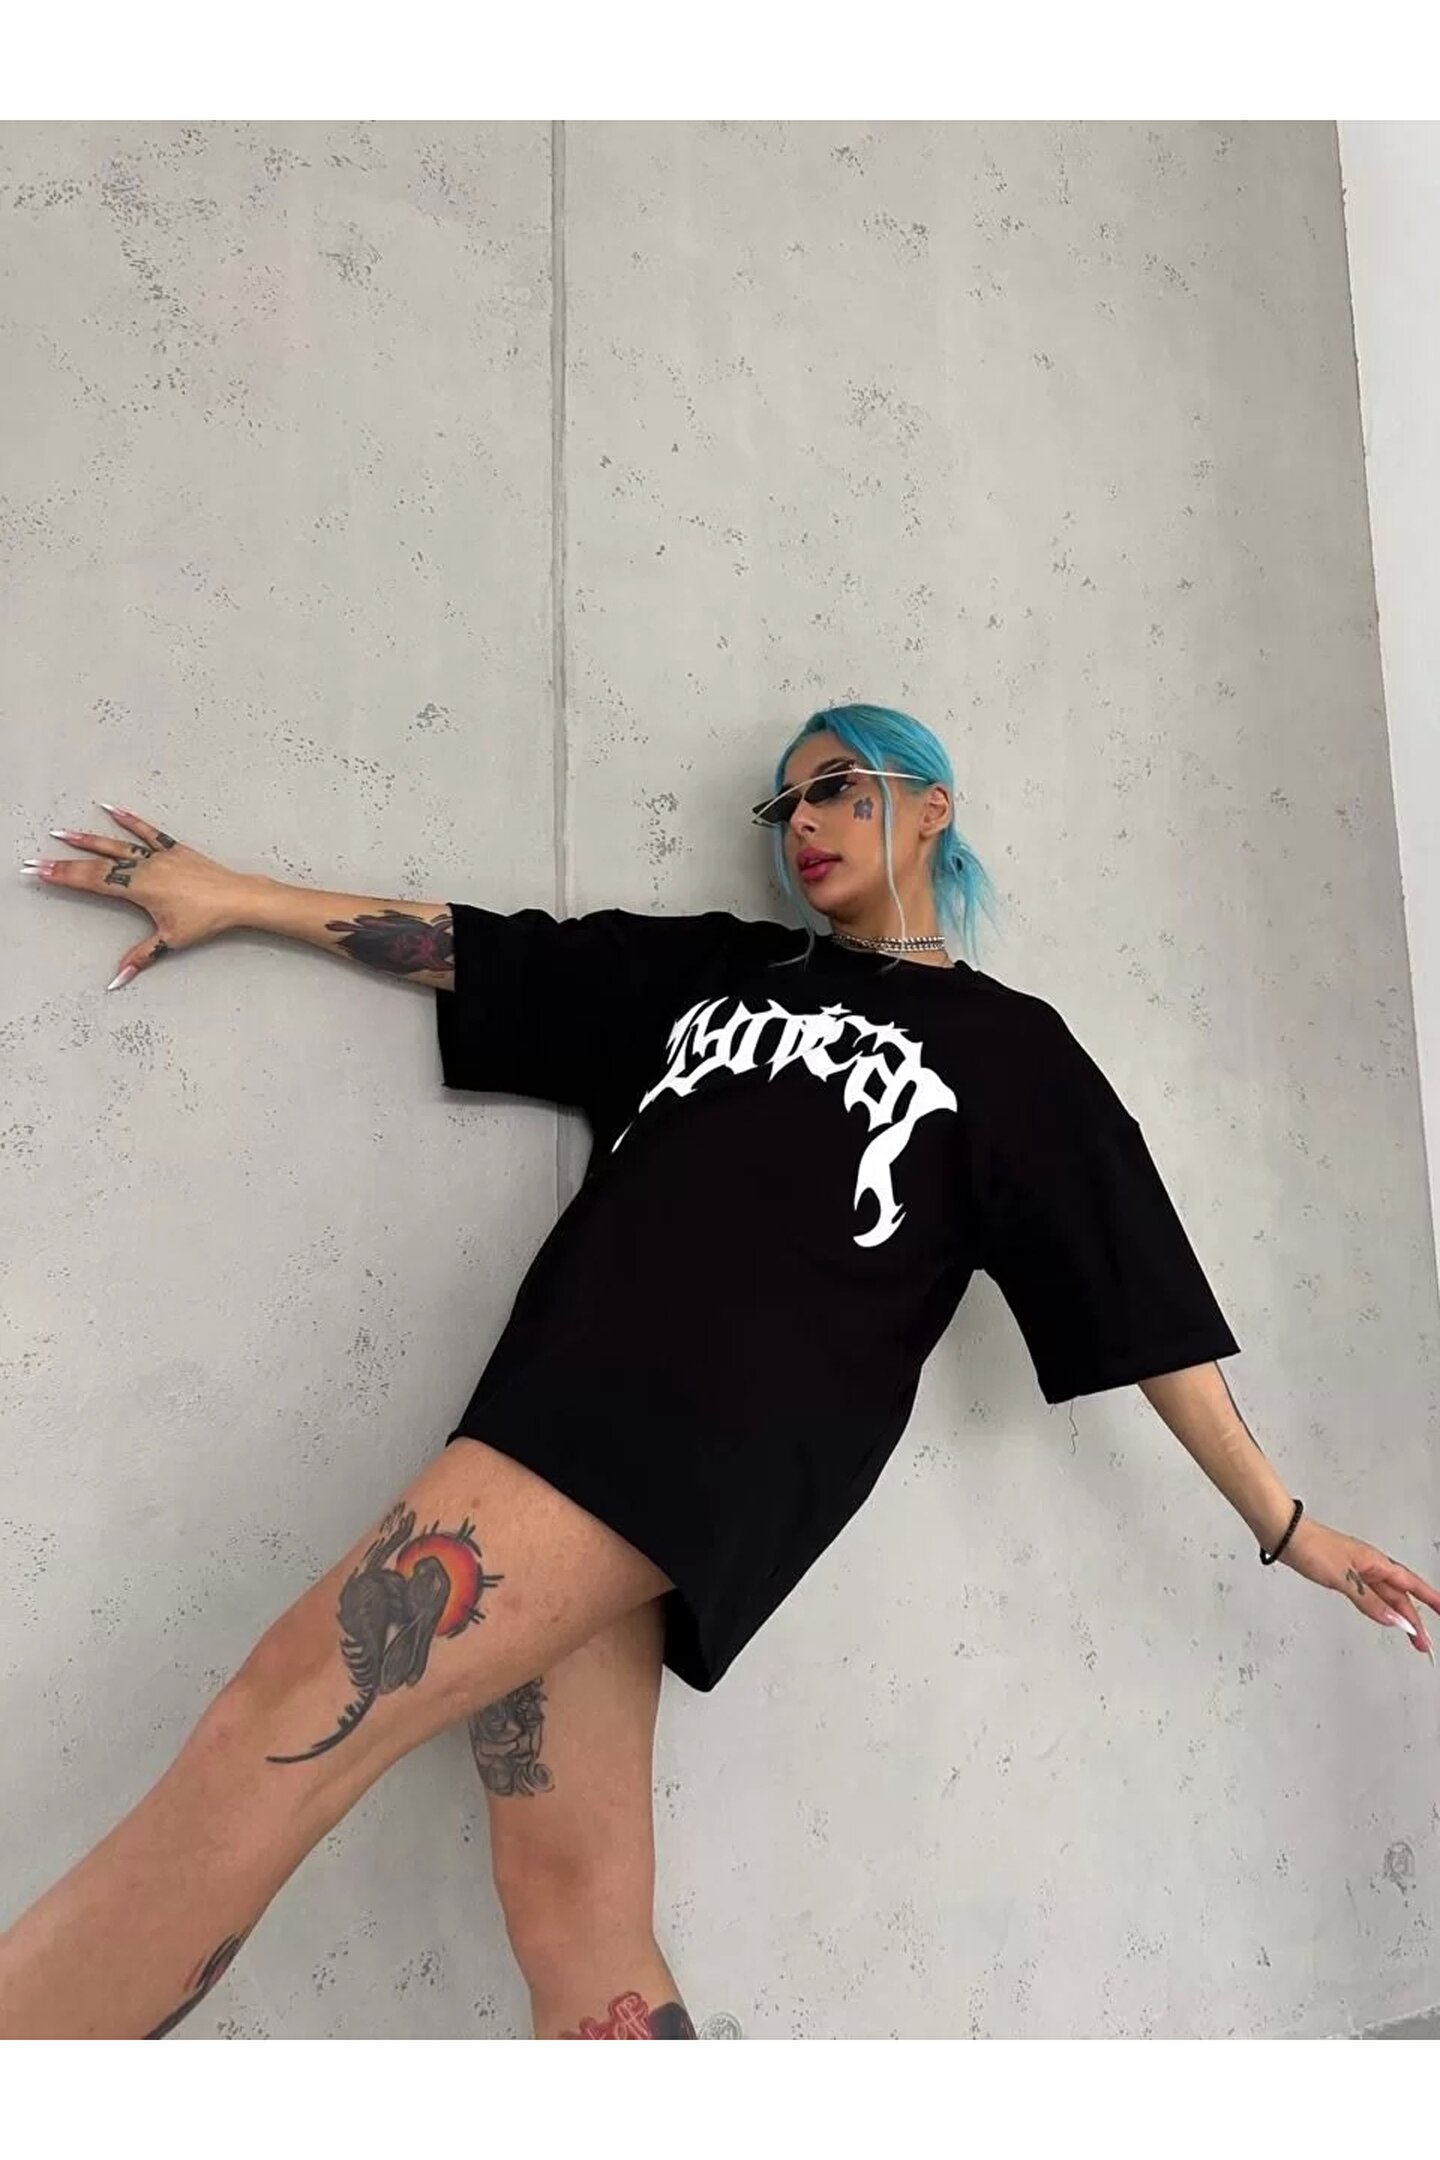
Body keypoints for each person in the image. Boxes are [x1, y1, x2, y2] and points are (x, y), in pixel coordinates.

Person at [6, 700, 1437, 2042]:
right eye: (784, 803)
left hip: (692, 1436)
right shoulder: (719, 972)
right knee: (574, 1908)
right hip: (570, 1404)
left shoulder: (1014, 1051)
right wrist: (236, 893)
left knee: (281, 1722)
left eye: (839, 787)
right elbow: (474, 949)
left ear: (933, 806)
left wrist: (1287, 1524)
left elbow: (1143, 1302)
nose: (802, 820)